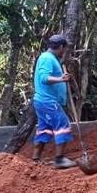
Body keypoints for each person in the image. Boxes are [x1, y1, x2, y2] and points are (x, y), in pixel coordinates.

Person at [31, 34, 76, 169]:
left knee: (45, 129)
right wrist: (61, 79)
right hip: (48, 101)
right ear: (61, 47)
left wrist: (63, 78)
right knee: (63, 124)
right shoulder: (47, 58)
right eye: (64, 48)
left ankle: (35, 158)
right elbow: (44, 78)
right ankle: (59, 159)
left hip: (44, 101)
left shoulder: (50, 58)